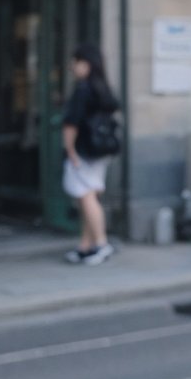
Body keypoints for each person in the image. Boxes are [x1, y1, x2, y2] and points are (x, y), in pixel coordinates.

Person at [61, 43, 119, 265]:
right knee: (89, 196)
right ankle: (85, 245)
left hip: (84, 150)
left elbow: (71, 123)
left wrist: (70, 150)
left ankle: (101, 244)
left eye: (75, 62)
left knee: (86, 196)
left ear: (85, 64)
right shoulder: (101, 87)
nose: (72, 67)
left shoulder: (83, 89)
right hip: (100, 150)